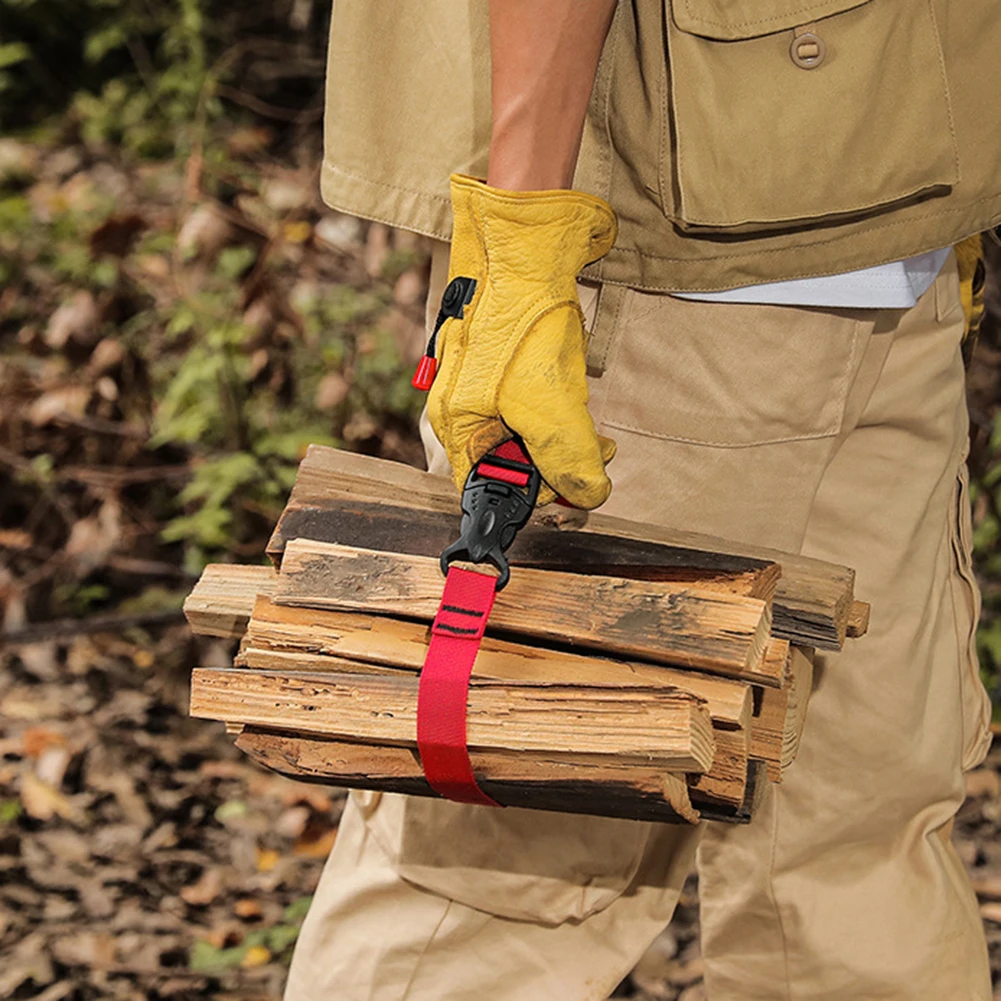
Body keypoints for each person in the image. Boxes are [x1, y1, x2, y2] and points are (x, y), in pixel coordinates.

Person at [284, 2, 1001, 998]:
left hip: (883, 235)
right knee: (506, 876)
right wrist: (525, 242)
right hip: (657, 264)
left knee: (854, 870)